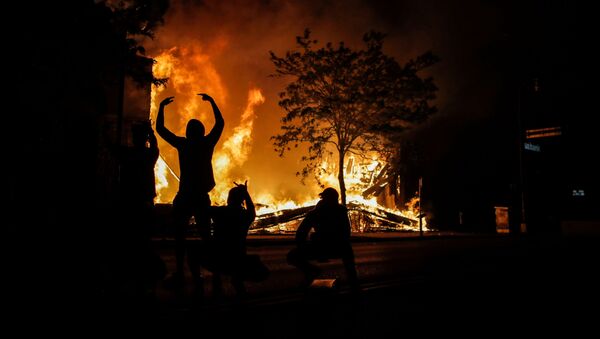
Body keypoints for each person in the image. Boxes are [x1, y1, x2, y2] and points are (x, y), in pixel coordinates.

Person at [156, 93, 224, 297]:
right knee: (206, 237)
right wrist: (212, 102)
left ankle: (179, 271)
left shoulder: (183, 144)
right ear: (202, 132)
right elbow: (220, 123)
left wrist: (161, 108)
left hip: (185, 195)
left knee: (180, 236)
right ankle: (217, 273)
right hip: (200, 196)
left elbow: (160, 129)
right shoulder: (206, 143)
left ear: (188, 132)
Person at [287, 187, 359, 291]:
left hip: (320, 247)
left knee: (292, 256)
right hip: (336, 247)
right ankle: (354, 286)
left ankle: (311, 271)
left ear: (323, 198)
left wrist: (304, 247)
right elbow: (346, 233)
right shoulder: (340, 211)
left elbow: (301, 234)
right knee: (348, 253)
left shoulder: (316, 213)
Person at [209, 181, 260, 298]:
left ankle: (201, 281)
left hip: (219, 257)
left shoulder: (219, 211)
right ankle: (239, 288)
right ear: (242, 200)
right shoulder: (245, 216)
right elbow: (252, 210)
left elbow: (202, 208)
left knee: (194, 252)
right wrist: (246, 194)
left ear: (229, 198)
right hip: (238, 257)